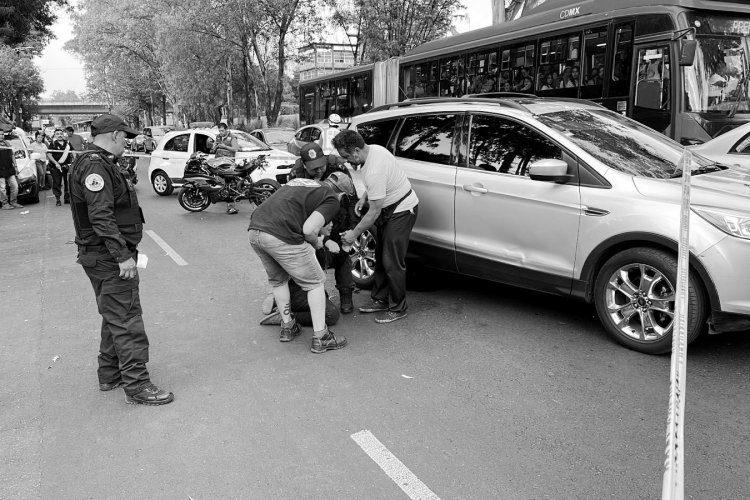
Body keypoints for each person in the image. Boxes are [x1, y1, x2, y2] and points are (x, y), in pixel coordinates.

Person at [68, 114, 173, 405]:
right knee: (127, 320)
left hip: (101, 256)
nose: (127, 142)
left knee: (114, 315)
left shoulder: (97, 163)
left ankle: (109, 373)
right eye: (125, 136)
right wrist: (122, 256)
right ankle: (137, 386)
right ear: (114, 135)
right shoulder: (94, 166)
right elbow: (100, 216)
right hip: (108, 258)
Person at [248, 173, 354, 353]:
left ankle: (288, 327)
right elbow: (308, 229)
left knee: (279, 280)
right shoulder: (331, 198)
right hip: (281, 234)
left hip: (256, 230)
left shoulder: (304, 184)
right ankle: (322, 337)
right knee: (315, 283)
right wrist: (316, 241)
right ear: (341, 195)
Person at [333, 129, 419, 324]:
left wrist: (353, 234)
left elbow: (374, 212)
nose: (347, 161)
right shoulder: (374, 151)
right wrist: (364, 198)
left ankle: (398, 308)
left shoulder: (374, 169)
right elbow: (377, 189)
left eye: (347, 157)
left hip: (402, 210)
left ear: (356, 150)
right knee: (381, 256)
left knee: (392, 261)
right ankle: (380, 299)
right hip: (388, 207)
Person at [289, 143, 356, 313]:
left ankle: (346, 294)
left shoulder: (337, 166)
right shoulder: (296, 174)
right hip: (309, 221)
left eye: (321, 167)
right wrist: (322, 237)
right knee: (313, 257)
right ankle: (316, 296)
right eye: (314, 169)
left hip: (337, 216)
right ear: (304, 166)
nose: (319, 171)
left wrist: (352, 230)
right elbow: (296, 209)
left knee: (342, 252)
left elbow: (351, 198)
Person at [259, 222, 341, 327]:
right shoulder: (302, 242)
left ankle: (278, 302)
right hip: (296, 289)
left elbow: (335, 262)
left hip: (307, 288)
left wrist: (342, 246)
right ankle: (285, 316)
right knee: (331, 315)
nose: (332, 224)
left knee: (327, 308)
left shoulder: (321, 239)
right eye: (327, 222)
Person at [210, 121, 240, 214]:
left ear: (226, 130)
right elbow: (214, 149)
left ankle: (231, 207)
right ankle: (221, 196)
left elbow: (235, 149)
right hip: (219, 163)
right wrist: (214, 147)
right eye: (219, 131)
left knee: (229, 184)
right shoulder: (218, 137)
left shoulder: (232, 137)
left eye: (222, 130)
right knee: (219, 181)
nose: (221, 132)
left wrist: (225, 146)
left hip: (228, 163)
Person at [47, 128, 72, 206]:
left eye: (61, 133)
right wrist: (55, 163)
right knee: (57, 183)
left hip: (67, 166)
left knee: (67, 182)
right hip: (56, 167)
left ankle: (67, 198)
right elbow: (49, 154)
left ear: (63, 134)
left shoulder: (67, 143)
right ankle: (58, 199)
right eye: (57, 134)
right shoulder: (53, 144)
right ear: (55, 135)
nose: (59, 135)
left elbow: (72, 152)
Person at [0, 137, 23, 210]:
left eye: (2, 134)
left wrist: (15, 166)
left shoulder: (7, 144)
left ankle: (14, 202)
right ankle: (4, 203)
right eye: (0, 134)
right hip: (0, 170)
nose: (1, 136)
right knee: (2, 188)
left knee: (15, 186)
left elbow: (12, 155)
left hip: (9, 169)